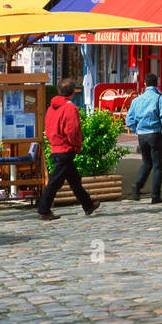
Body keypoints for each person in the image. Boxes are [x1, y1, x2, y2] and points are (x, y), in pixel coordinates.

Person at [38, 79, 100, 220]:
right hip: (66, 148)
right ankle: (43, 209)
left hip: (56, 147)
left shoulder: (51, 107)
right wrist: (77, 145)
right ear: (72, 92)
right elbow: (72, 130)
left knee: (74, 179)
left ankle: (88, 204)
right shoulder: (69, 107)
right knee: (55, 181)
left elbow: (47, 128)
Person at [126, 73, 162, 204]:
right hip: (155, 134)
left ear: (144, 84)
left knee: (146, 163)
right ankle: (155, 196)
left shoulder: (136, 100)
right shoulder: (159, 99)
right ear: (156, 84)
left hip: (142, 135)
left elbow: (129, 120)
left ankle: (137, 186)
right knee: (157, 166)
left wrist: (137, 129)